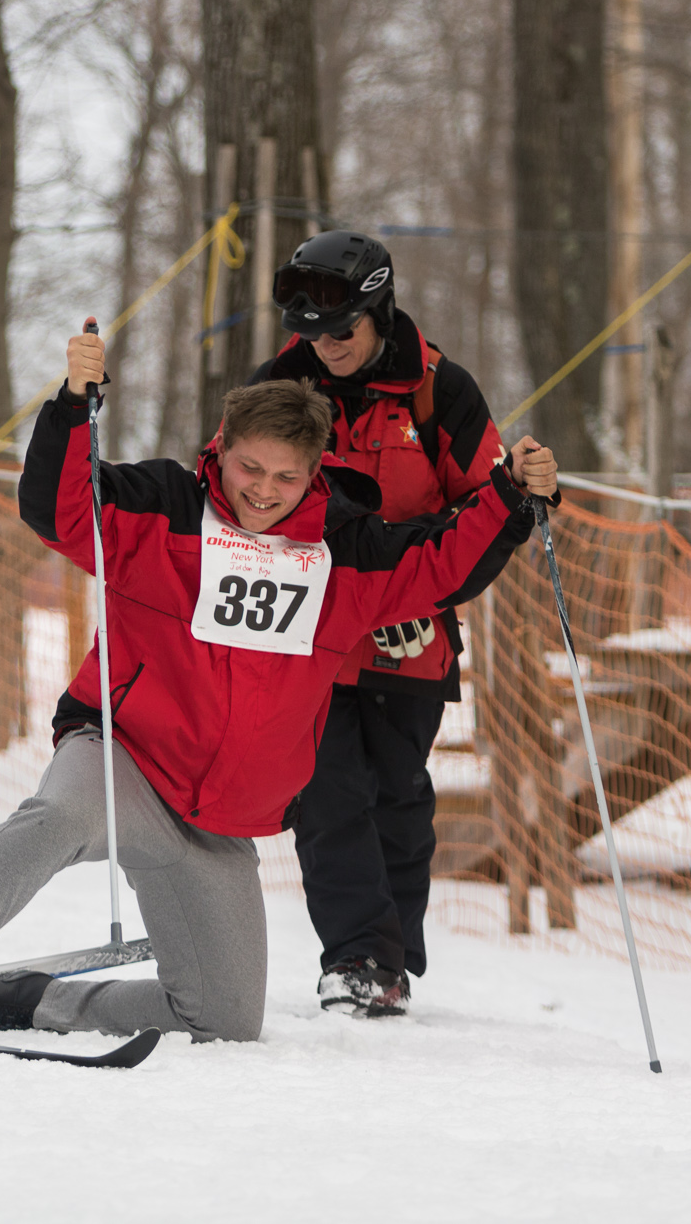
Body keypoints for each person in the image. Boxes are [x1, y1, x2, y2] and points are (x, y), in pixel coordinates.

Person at [0, 321, 559, 1042]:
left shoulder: (344, 552)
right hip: (123, 758)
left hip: (217, 816)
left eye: (287, 477)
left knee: (224, 1020)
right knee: (60, 817)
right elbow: (60, 507)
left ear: (315, 470)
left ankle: (20, 1001)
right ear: (221, 450)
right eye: (250, 469)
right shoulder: (161, 507)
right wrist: (74, 404)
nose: (264, 492)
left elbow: (440, 562)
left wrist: (510, 496)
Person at [249, 229, 556, 1018]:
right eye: (309, 332)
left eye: (341, 330)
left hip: (409, 632)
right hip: (311, 627)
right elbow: (240, 480)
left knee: (396, 795)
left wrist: (528, 496)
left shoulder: (438, 389)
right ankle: (357, 956)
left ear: (378, 311)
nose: (324, 347)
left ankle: (388, 957)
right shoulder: (282, 384)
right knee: (326, 789)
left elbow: (484, 506)